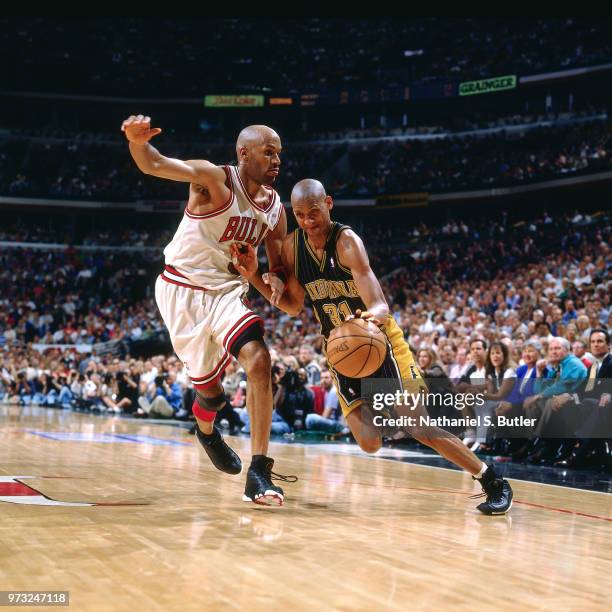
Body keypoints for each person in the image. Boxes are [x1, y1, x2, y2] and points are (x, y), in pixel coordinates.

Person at [232, 178, 513, 515]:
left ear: (329, 204)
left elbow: (379, 303)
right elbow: (292, 305)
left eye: (315, 212)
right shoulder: (293, 247)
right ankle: (388, 408)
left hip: (378, 341)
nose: (309, 221)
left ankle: (492, 480)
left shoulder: (347, 242)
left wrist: (372, 315)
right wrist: (253, 277)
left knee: (418, 425)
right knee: (369, 442)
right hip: (340, 351)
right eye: (302, 215)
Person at [121, 114, 293, 506]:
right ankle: (207, 431)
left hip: (227, 292)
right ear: (243, 153)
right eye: (268, 153)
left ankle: (260, 471)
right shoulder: (214, 179)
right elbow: (156, 164)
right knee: (211, 395)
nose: (277, 160)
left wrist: (277, 281)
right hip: (181, 288)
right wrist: (136, 142)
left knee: (259, 358)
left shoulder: (275, 209)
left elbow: (278, 262)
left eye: (279, 153)